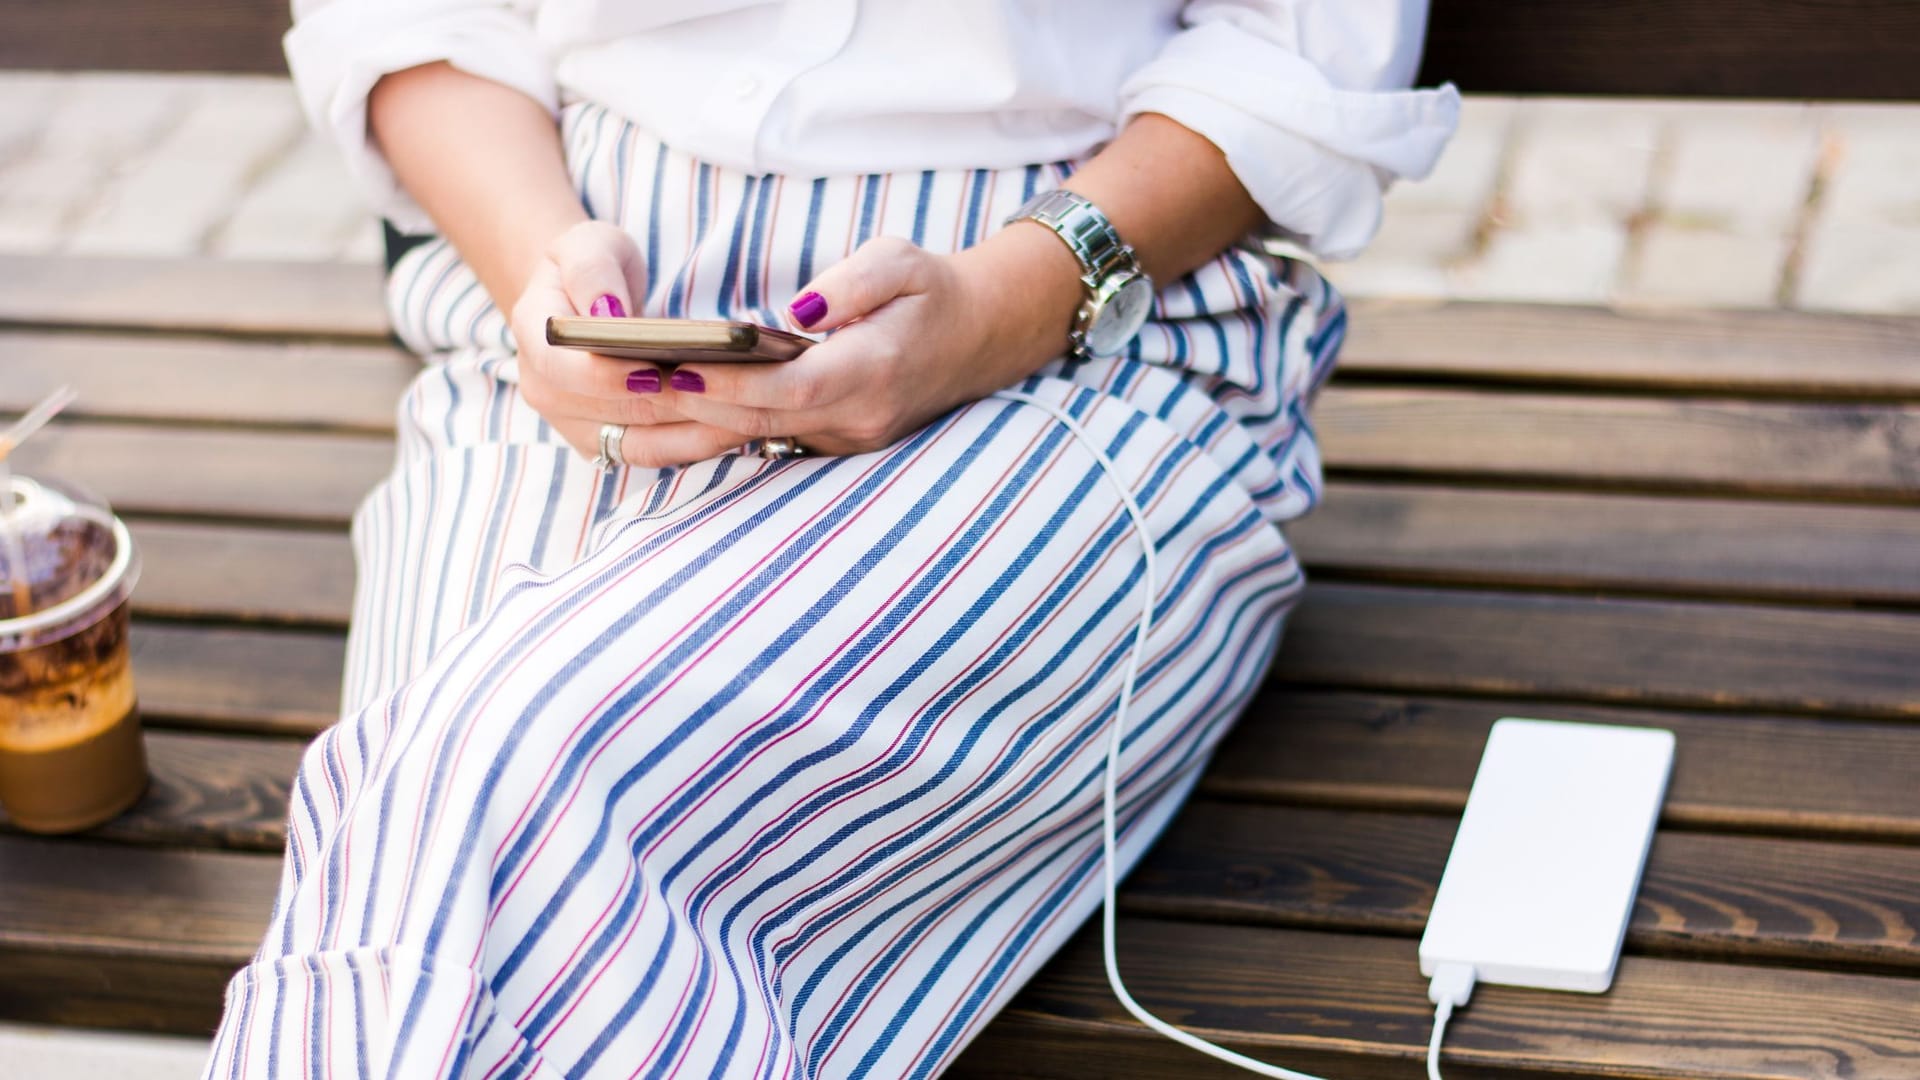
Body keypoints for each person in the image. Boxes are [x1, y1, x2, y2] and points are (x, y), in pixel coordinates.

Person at [204, 2, 1456, 1076]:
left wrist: (997, 308)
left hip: (1063, 339)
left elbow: (1298, 47)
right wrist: (551, 277)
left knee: (486, 779)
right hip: (577, 319)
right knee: (423, 823)